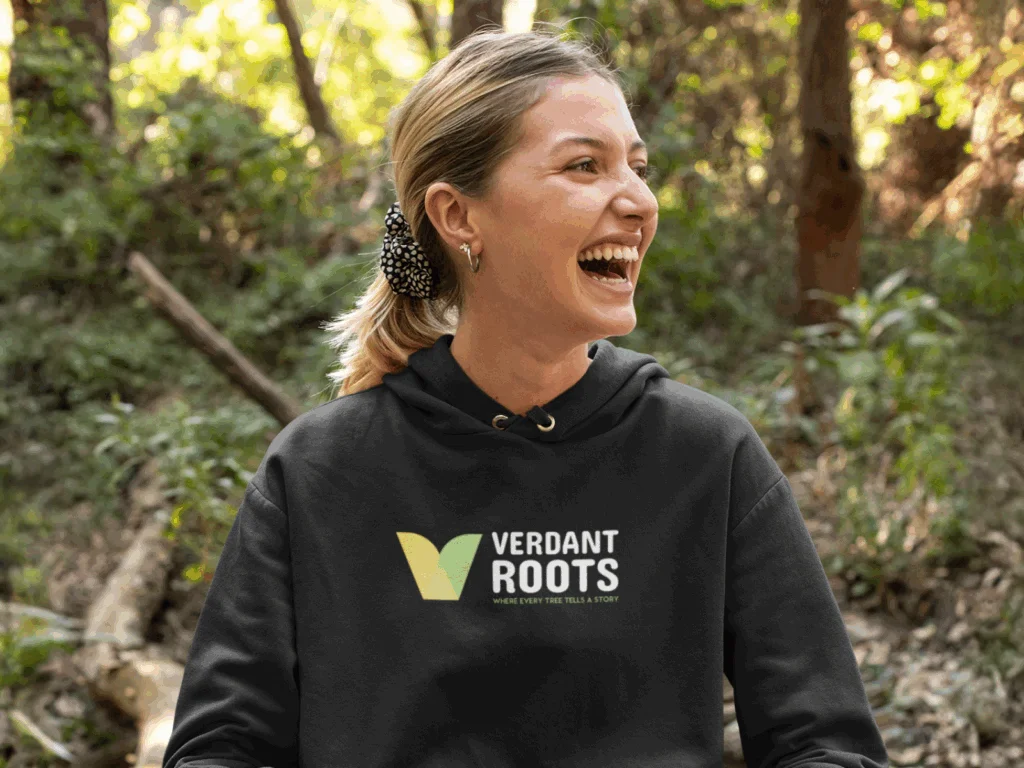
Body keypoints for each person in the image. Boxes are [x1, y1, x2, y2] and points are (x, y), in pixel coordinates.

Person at [162, 26, 891, 768]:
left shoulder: (707, 456)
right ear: (458, 216)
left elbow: (826, 744)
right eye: (584, 165)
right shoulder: (321, 473)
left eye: (638, 168)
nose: (638, 201)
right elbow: (221, 748)